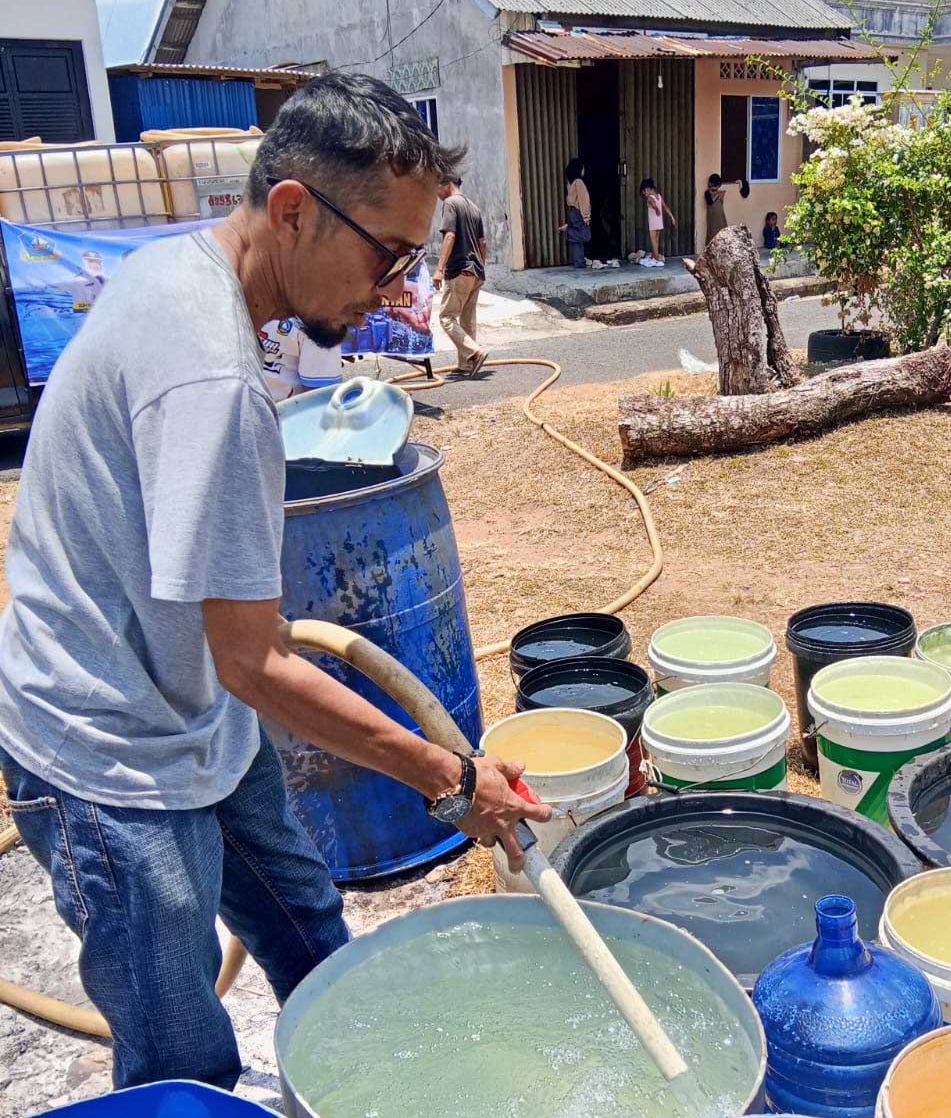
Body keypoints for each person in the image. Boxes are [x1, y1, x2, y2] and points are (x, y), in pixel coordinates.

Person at [0, 73, 550, 1093]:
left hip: (191, 711)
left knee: (313, 937)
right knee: (183, 1059)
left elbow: (231, 646)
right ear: (293, 209)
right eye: (389, 256)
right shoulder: (211, 375)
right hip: (104, 755)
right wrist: (445, 773)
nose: (399, 290)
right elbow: (252, 657)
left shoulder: (183, 270)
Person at [432, 176, 488, 375]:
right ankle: (466, 365)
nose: (436, 193)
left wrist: (439, 270)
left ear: (446, 184)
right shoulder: (474, 207)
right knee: (466, 320)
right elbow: (482, 243)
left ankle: (475, 352)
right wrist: (481, 267)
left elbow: (450, 235)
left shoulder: (450, 203)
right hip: (476, 272)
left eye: (436, 187)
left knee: (446, 317)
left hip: (459, 270)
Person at [258, 316, 344, 403]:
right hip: (289, 409)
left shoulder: (250, 306)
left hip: (251, 400)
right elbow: (319, 398)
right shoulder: (322, 321)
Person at [559, 158, 591, 268]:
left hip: (572, 211)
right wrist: (586, 216)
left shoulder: (570, 182)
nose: (584, 170)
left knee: (576, 239)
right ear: (579, 169)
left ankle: (579, 262)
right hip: (578, 212)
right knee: (584, 236)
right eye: (583, 168)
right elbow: (584, 200)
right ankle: (569, 230)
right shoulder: (579, 182)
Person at [638, 177, 676, 267]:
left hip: (653, 222)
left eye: (645, 192)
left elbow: (653, 204)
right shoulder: (659, 196)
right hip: (659, 222)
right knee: (657, 240)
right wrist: (672, 217)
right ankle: (655, 256)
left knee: (653, 240)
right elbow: (665, 207)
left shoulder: (650, 198)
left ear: (649, 189)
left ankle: (656, 259)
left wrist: (657, 209)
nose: (645, 194)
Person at [704, 173, 742, 246]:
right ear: (711, 183)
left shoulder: (718, 192)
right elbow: (710, 202)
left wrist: (721, 196)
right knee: (713, 232)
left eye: (718, 187)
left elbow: (720, 203)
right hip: (712, 217)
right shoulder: (707, 193)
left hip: (720, 215)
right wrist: (717, 195)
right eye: (716, 186)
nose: (717, 188)